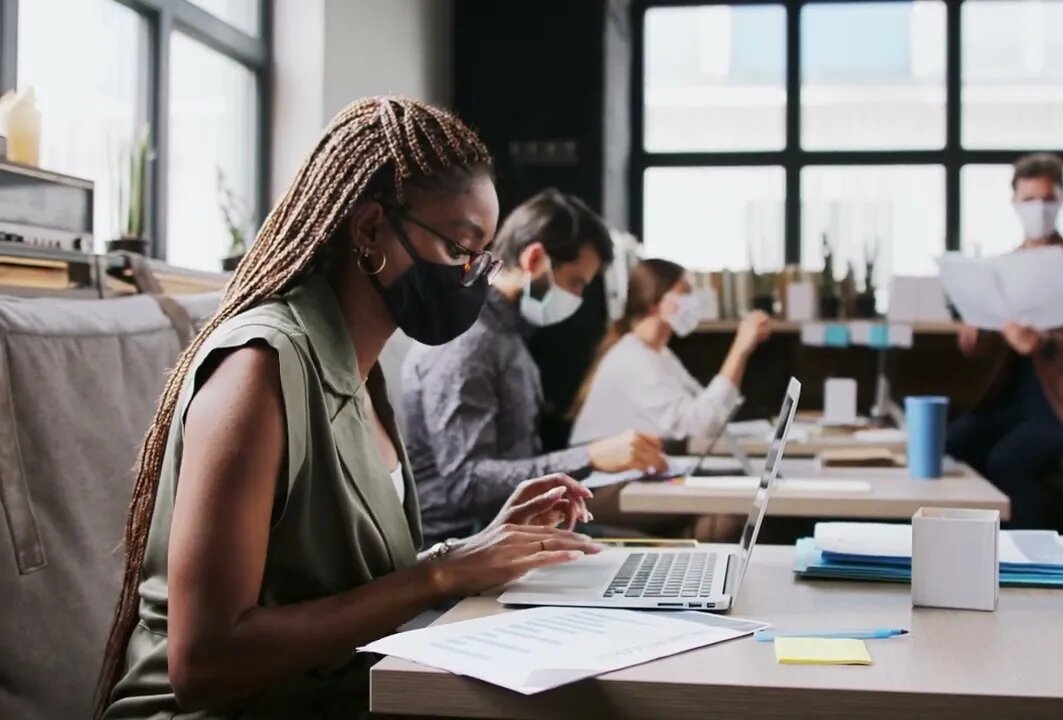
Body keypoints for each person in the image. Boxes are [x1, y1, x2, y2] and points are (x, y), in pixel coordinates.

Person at [94, 98, 602, 719]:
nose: (473, 277)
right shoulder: (258, 373)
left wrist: (480, 549)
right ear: (368, 231)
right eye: (459, 248)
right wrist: (440, 575)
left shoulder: (362, 373)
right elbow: (205, 663)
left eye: (482, 256)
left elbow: (343, 589)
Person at [402, 190, 669, 546]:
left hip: (514, 531)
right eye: (576, 282)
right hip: (468, 547)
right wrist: (590, 457)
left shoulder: (506, 333)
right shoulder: (470, 340)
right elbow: (467, 484)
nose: (576, 296)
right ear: (536, 259)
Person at [946, 153, 1063, 529]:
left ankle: (1024, 561)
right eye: (1029, 200)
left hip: (1062, 406)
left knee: (1008, 461)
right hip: (1011, 397)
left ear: (1061, 200)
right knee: (947, 449)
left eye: (1047, 199)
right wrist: (976, 328)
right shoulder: (1002, 265)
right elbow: (979, 348)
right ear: (1014, 203)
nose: (1038, 209)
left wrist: (1046, 343)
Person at [570, 258, 772, 445]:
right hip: (601, 479)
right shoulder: (632, 359)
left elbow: (705, 410)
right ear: (653, 302)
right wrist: (739, 350)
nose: (693, 301)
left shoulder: (658, 354)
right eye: (684, 293)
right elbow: (699, 425)